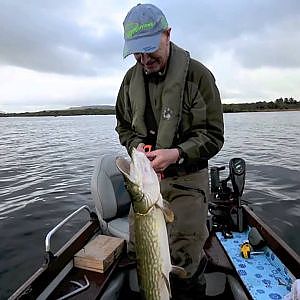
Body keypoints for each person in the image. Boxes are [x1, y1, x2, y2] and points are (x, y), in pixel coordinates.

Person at [115, 3, 224, 299]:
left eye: (150, 49)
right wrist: (134, 146)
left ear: (168, 34)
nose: (144, 59)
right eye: (137, 52)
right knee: (142, 252)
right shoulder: (129, 81)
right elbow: (123, 127)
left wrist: (175, 153)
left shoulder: (198, 77)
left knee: (185, 260)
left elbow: (213, 136)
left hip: (187, 178)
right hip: (146, 185)